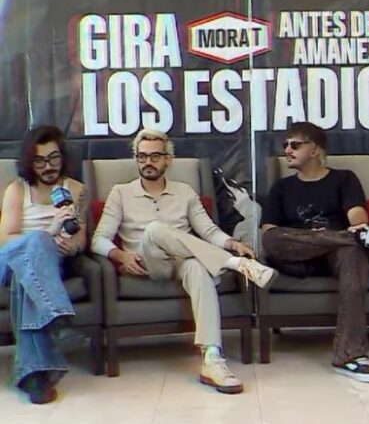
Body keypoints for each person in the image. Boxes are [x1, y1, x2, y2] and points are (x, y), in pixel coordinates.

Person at [91, 129, 276, 395]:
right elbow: (99, 240)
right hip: (147, 262)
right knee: (155, 229)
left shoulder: (185, 192)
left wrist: (231, 243)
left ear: (168, 159)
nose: (148, 162)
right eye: (142, 156)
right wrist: (121, 255)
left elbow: (209, 231)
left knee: (198, 268)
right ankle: (237, 265)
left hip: (181, 261)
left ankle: (212, 359)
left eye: (155, 156)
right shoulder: (121, 193)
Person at [261, 122, 369, 384]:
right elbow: (269, 231)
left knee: (354, 254)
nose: (287, 150)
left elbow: (357, 216)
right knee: (272, 238)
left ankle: (349, 356)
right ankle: (352, 238)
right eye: (286, 145)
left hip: (337, 256)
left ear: (314, 150)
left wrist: (357, 227)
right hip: (297, 255)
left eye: (295, 145)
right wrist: (348, 235)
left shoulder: (344, 179)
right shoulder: (281, 187)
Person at [0, 125, 90, 404]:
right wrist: (48, 233)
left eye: (53, 158)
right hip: (10, 260)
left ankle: (34, 375)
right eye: (39, 160)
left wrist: (73, 246)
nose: (48, 166)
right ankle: (57, 318)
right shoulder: (17, 190)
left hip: (48, 266)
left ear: (63, 157)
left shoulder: (76, 190)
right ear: (29, 162)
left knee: (25, 282)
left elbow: (81, 239)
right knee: (37, 242)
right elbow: (5, 240)